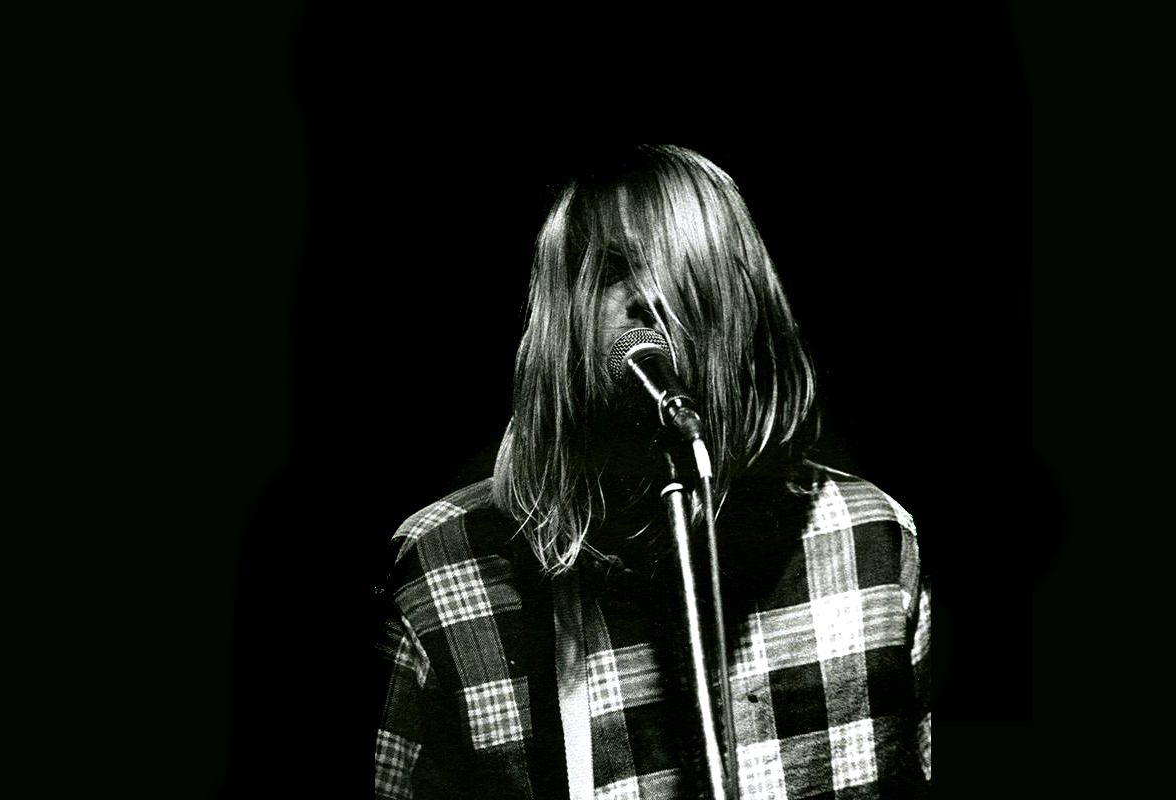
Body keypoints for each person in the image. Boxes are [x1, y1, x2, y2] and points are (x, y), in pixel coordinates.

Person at [375, 145, 930, 799]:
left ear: (736, 306)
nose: (649, 298)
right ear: (560, 320)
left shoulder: (872, 538)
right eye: (613, 270)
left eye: (684, 271)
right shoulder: (444, 562)